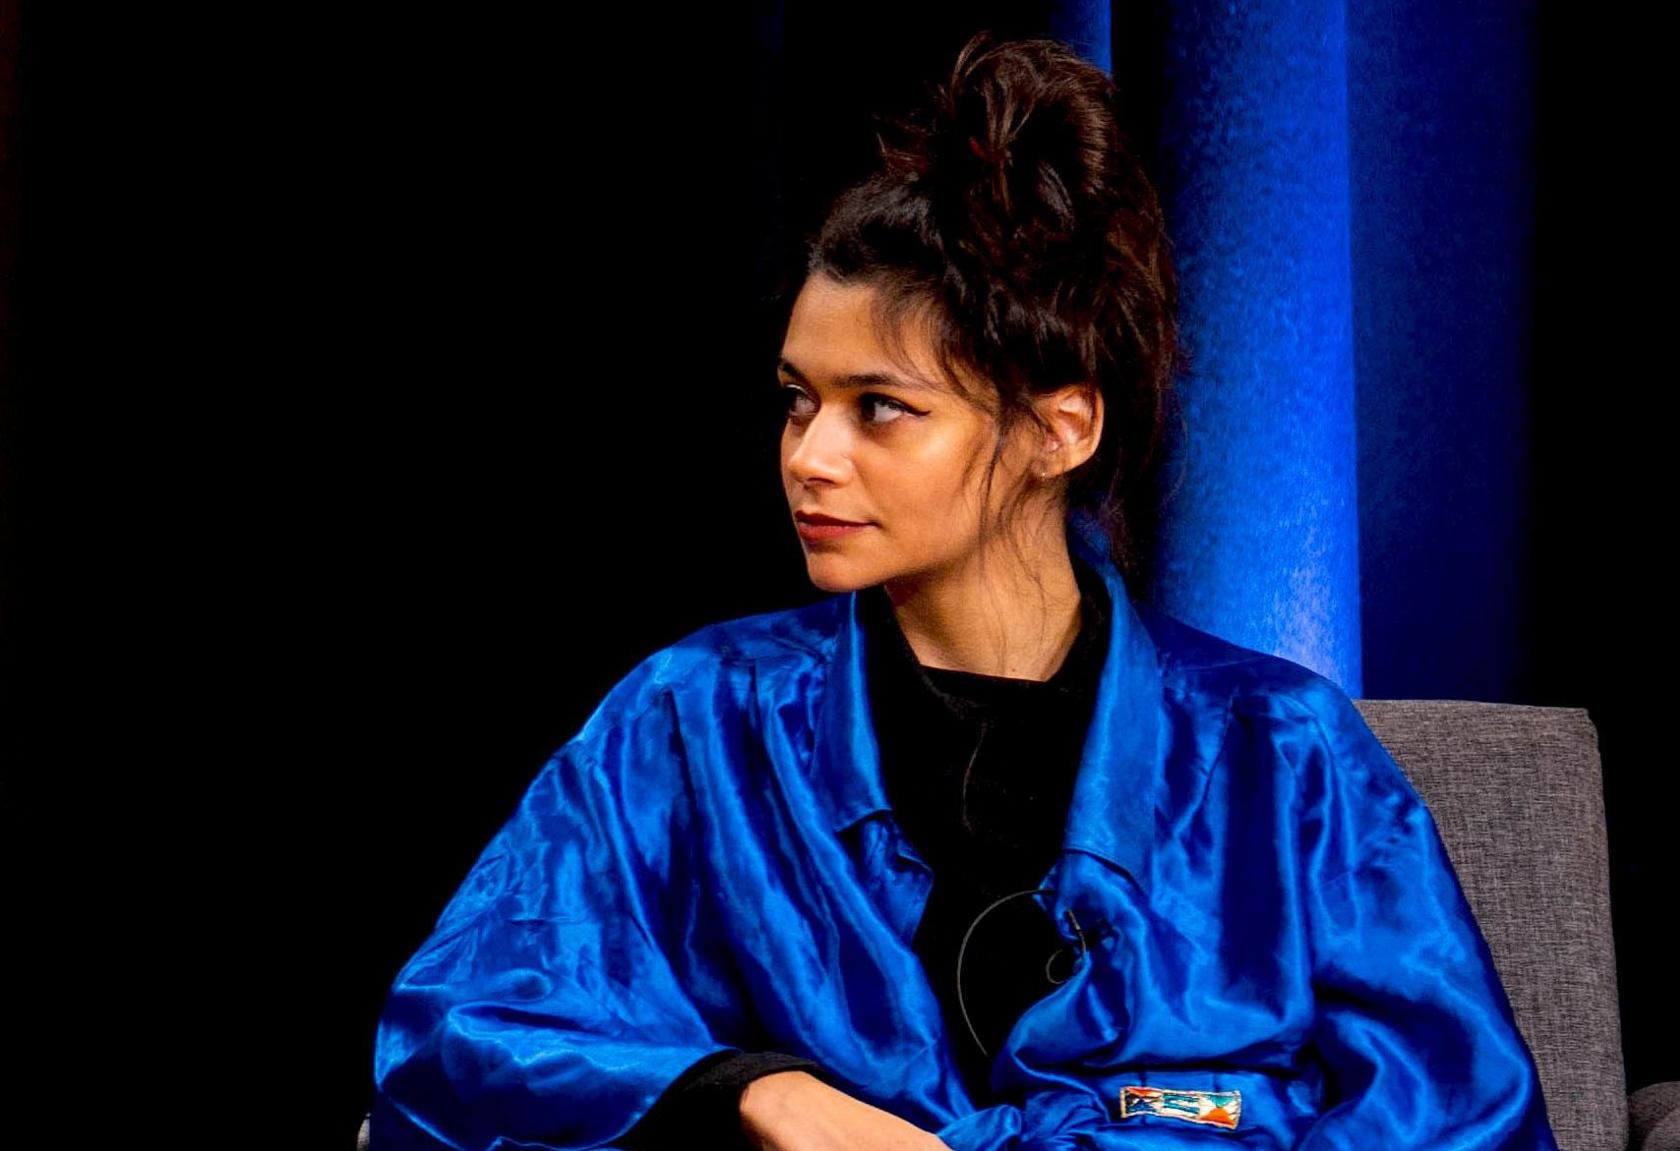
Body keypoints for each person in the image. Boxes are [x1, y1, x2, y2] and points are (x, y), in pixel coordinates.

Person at [367, 30, 1559, 1151]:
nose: (808, 456)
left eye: (879, 408)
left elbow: (1466, 1116)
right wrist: (758, 1094)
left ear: (1059, 428)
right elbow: (452, 1041)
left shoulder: (1287, 757)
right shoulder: (687, 723)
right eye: (797, 398)